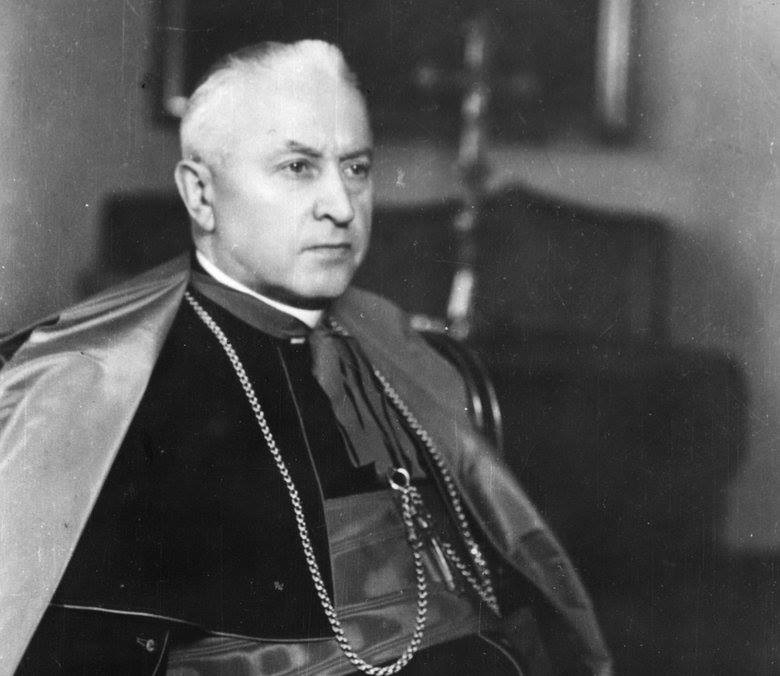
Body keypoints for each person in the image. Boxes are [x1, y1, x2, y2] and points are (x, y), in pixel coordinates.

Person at [0, 40, 611, 674]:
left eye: (357, 168)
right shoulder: (101, 383)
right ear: (201, 195)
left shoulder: (402, 349)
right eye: (298, 167)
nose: (342, 208)